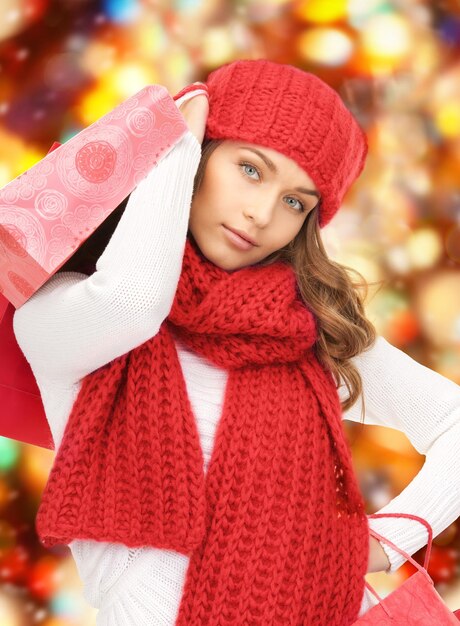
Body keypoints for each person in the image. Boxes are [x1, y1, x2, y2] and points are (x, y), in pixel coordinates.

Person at [12, 59, 460, 625]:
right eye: (250, 169)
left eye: (296, 202)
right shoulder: (65, 311)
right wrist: (171, 140)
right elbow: (133, 302)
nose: (262, 213)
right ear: (201, 156)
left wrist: (389, 541)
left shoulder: (310, 335)